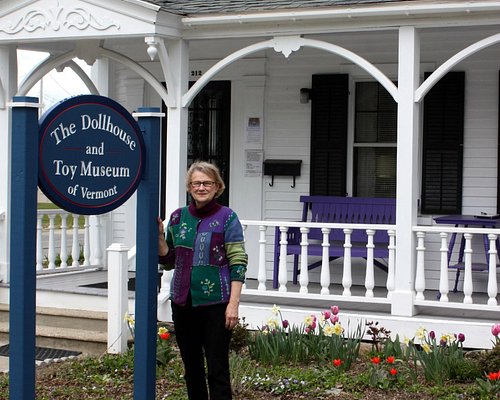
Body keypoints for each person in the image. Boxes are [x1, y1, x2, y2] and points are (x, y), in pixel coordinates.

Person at [158, 161, 248, 400]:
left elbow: (238, 262)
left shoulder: (228, 218)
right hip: (183, 302)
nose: (201, 187)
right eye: (196, 183)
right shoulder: (178, 218)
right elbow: (169, 260)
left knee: (217, 369)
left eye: (207, 183)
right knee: (192, 369)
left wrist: (233, 304)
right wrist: (159, 237)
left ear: (217, 187)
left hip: (216, 304)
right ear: (189, 187)